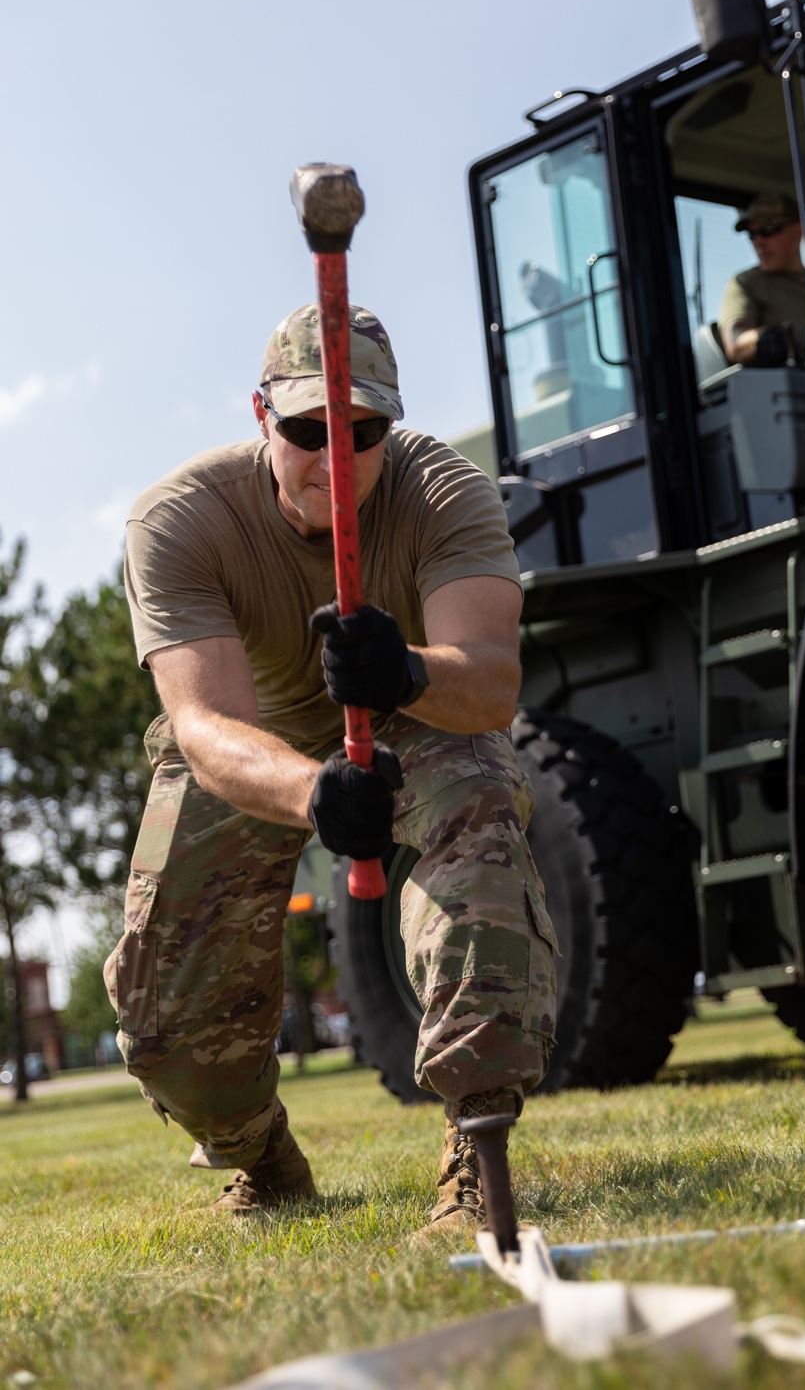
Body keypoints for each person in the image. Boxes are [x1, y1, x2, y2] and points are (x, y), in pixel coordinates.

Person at [107, 302, 557, 1226]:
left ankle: (478, 1143)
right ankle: (260, 1158)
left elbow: (492, 687)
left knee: (478, 794)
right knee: (163, 1021)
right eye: (310, 429)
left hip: (412, 718)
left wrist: (405, 670)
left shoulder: (446, 492)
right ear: (263, 415)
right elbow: (202, 723)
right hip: (255, 748)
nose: (335, 457)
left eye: (364, 431)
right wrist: (312, 789)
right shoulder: (179, 520)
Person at [718, 192, 805, 367]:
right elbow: (737, 342)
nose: (758, 242)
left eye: (768, 230)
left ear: (800, 230)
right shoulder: (747, 283)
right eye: (752, 234)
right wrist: (763, 339)